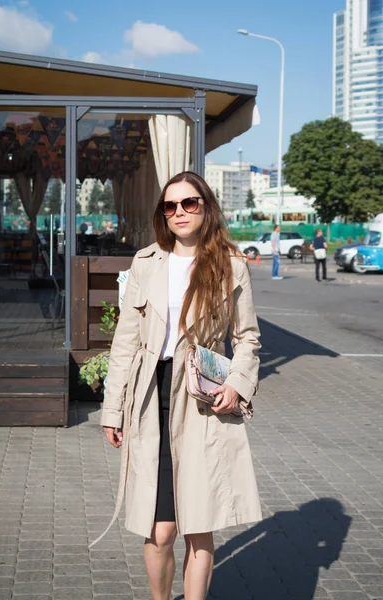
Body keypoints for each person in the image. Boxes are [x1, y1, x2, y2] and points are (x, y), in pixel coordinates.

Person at [95, 171, 262, 600]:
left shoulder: (231, 264)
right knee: (160, 528)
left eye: (190, 203)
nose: (180, 213)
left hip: (203, 397)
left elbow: (247, 337)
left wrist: (238, 384)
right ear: (162, 214)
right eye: (170, 206)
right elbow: (125, 343)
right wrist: (112, 410)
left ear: (206, 208)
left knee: (198, 525)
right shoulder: (145, 262)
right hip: (151, 394)